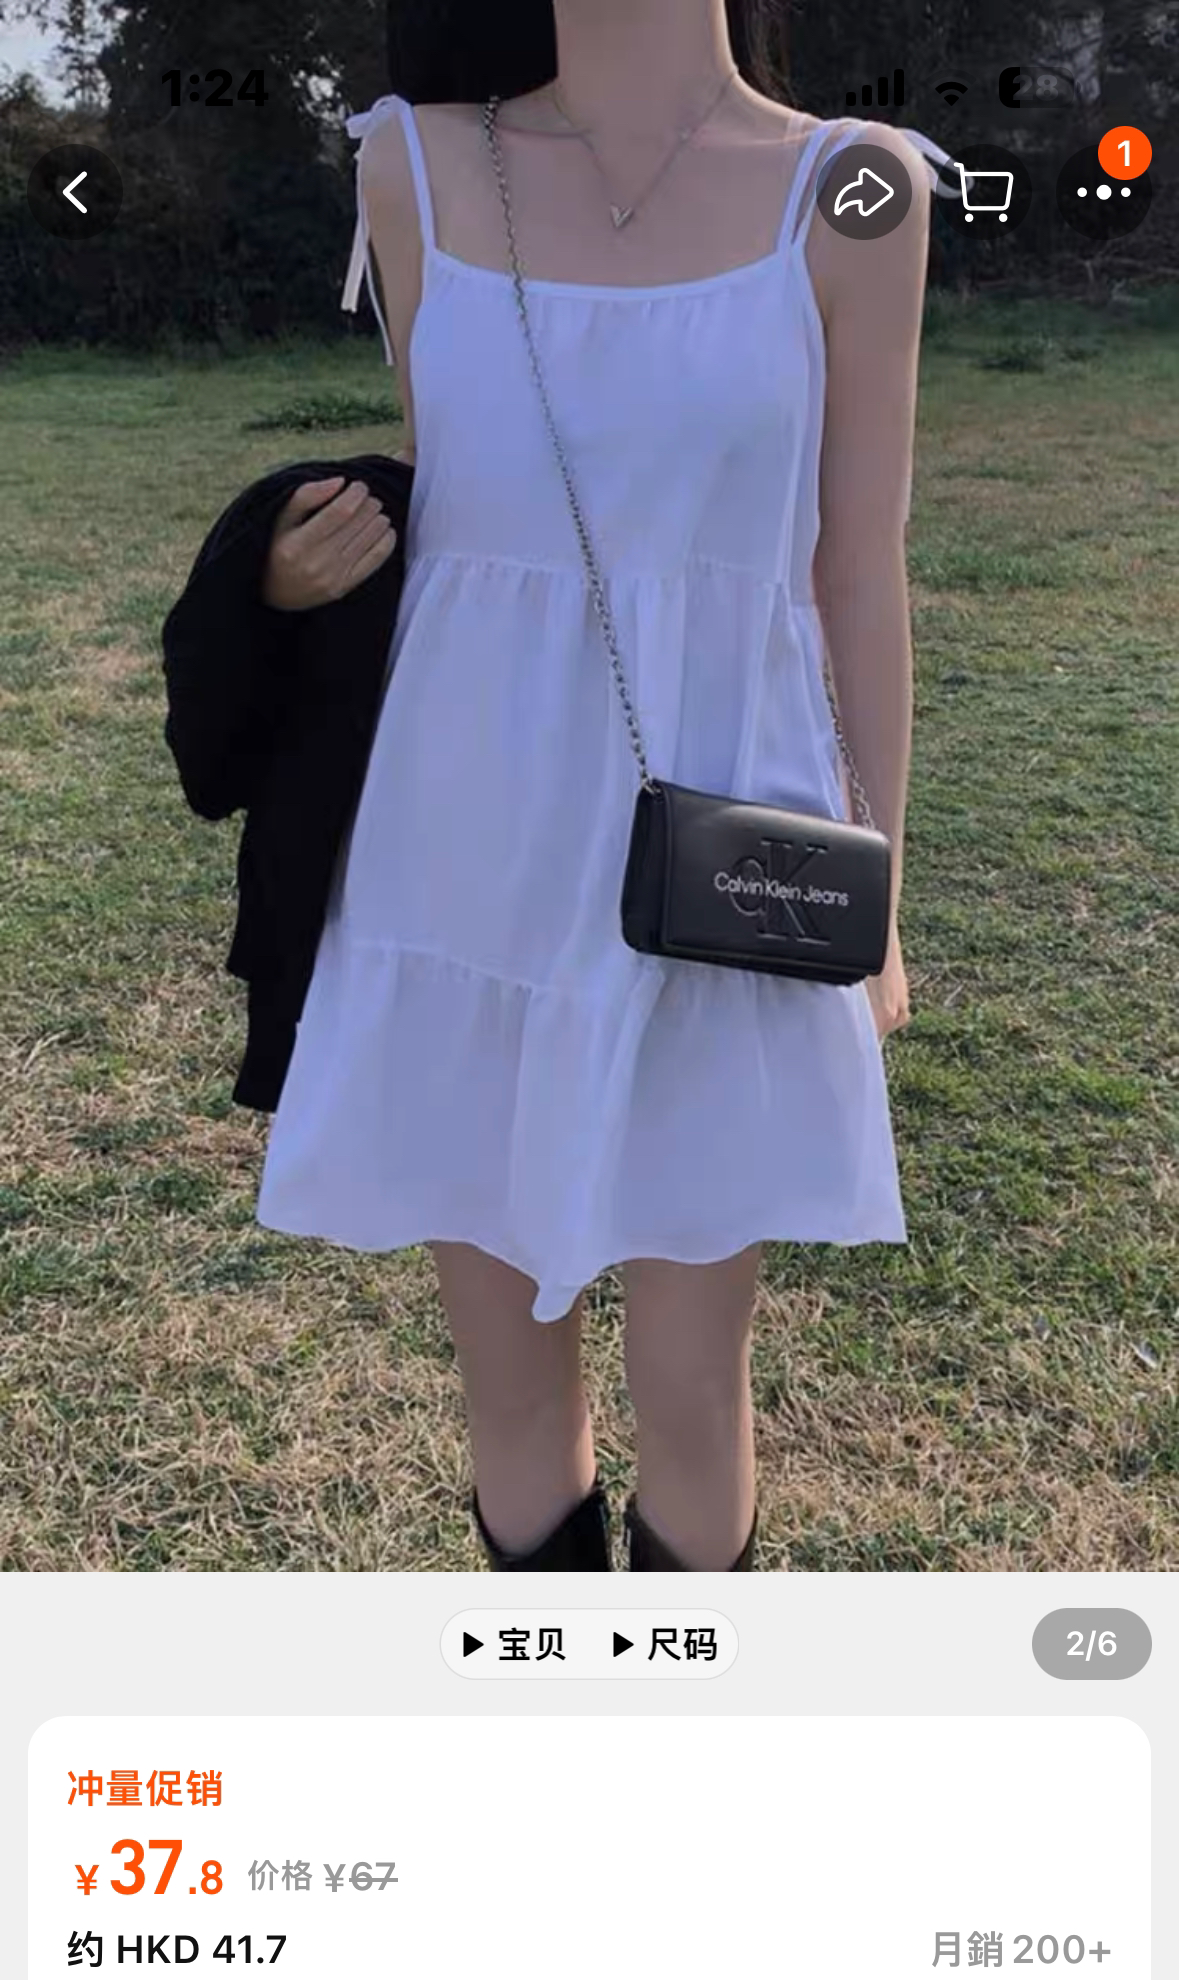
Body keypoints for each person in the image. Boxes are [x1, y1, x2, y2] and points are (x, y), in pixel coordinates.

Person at [255, 0, 946, 1573]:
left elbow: (857, 569)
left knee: (695, 1394)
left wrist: (878, 883)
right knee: (508, 1405)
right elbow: (447, 511)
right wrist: (277, 574)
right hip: (464, 848)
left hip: (730, 853)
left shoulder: (857, 186)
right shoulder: (410, 165)